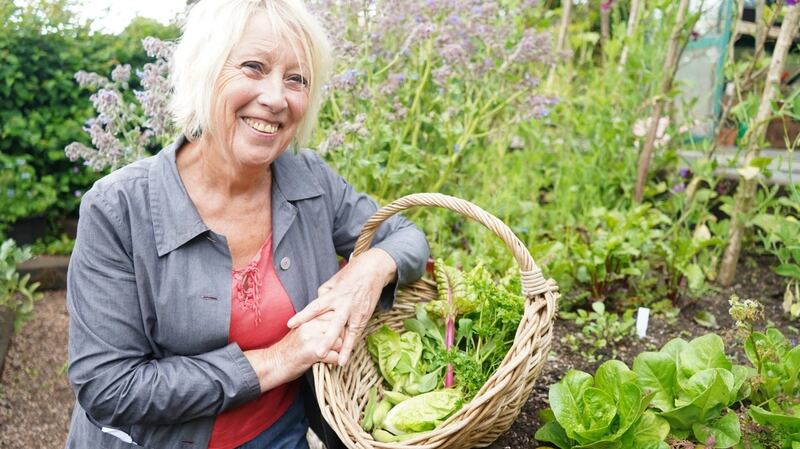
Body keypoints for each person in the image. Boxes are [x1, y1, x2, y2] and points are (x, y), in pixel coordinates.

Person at [64, 1, 429, 448]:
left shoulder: (308, 180)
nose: (276, 98)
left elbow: (407, 236)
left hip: (282, 435)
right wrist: (281, 358)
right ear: (205, 71)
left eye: (296, 79)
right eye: (254, 67)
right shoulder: (119, 207)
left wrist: (371, 268)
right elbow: (110, 387)